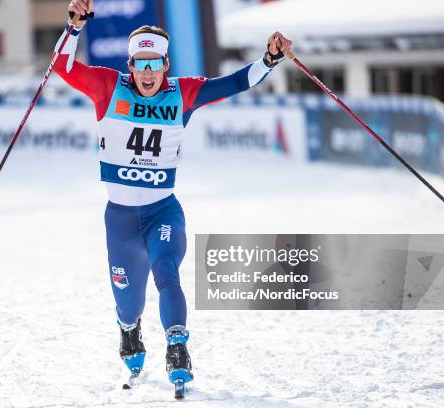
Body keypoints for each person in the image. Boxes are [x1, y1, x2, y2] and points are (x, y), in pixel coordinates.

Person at [56, 0, 293, 395]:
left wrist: (269, 59)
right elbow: (63, 68)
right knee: (129, 303)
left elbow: (235, 82)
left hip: (162, 210)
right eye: (139, 63)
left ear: (166, 65)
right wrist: (74, 28)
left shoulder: (183, 93)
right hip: (120, 219)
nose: (147, 73)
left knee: (167, 271)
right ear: (130, 65)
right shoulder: (106, 86)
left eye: (155, 64)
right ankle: (129, 332)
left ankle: (177, 347)